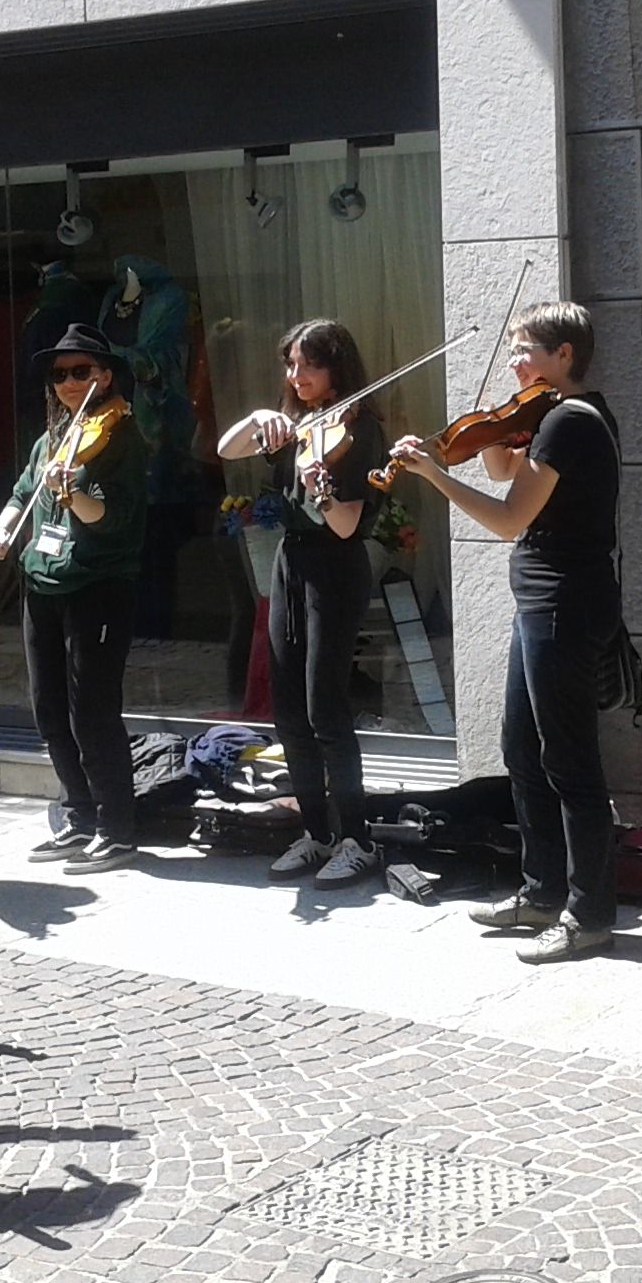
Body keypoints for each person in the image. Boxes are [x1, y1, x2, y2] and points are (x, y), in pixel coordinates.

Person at [386, 302, 620, 962]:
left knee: (570, 762)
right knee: (521, 748)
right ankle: (542, 891)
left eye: (526, 349)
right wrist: (495, 429)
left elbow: (509, 518)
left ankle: (590, 914)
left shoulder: (570, 423)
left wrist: (434, 473)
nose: (515, 360)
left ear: (564, 356)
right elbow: (498, 471)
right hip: (542, 604)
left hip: (563, 604)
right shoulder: (547, 420)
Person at [217, 320, 391, 887]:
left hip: (335, 569)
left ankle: (357, 839)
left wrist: (322, 486)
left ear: (336, 368)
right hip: (290, 563)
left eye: (308, 365)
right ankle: (316, 832)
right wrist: (257, 420)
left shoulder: (362, 430)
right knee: (288, 707)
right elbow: (228, 448)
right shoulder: (294, 428)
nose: (296, 376)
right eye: (290, 366)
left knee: (325, 708)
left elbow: (345, 527)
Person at [0, 323, 148, 875]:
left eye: (82, 371)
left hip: (97, 587)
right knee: (48, 709)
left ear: (104, 375)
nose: (70, 382)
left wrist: (75, 491)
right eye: (61, 374)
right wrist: (3, 530)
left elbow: (114, 518)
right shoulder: (51, 439)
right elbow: (22, 494)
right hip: (43, 585)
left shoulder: (120, 437)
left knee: (92, 714)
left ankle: (116, 828)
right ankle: (77, 815)